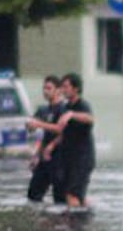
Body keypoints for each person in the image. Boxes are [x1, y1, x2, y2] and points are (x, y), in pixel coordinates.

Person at [46, 72, 95, 209]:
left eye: (66, 86)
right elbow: (63, 132)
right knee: (77, 195)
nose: (63, 90)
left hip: (83, 158)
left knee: (71, 195)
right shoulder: (66, 107)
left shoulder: (82, 105)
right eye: (62, 87)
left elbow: (90, 118)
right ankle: (87, 213)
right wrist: (51, 145)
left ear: (76, 89)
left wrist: (72, 115)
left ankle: (75, 221)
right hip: (70, 158)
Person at [26, 75, 65, 204]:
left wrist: (40, 124)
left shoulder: (64, 109)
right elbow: (37, 132)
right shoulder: (43, 110)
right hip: (44, 158)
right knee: (33, 195)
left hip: (60, 158)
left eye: (49, 88)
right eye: (44, 88)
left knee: (60, 197)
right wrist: (36, 155)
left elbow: (63, 132)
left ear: (58, 90)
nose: (45, 91)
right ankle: (41, 215)